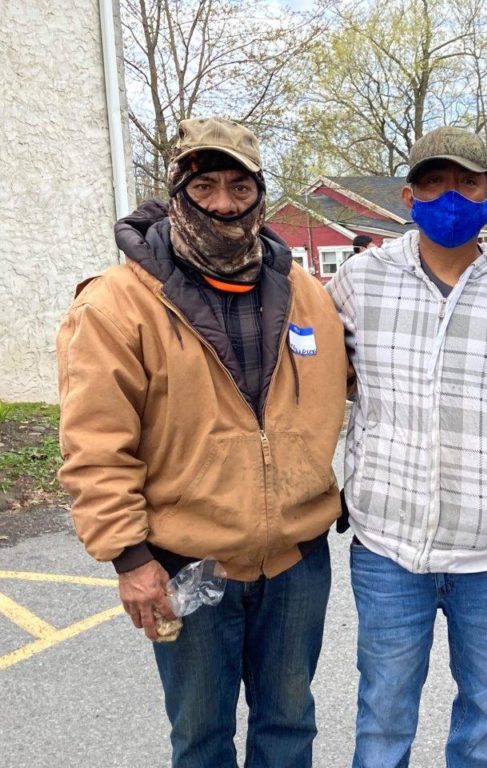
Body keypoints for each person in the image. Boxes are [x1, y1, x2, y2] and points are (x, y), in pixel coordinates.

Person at [57, 117, 347, 767]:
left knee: (290, 728)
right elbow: (94, 445)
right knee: (201, 739)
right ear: (177, 190)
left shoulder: (306, 295)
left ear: (260, 193)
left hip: (297, 562)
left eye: (240, 187)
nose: (224, 204)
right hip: (186, 565)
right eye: (205, 185)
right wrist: (130, 559)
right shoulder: (116, 304)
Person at [327, 125, 487, 767]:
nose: (451, 196)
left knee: (485, 714)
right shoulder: (359, 282)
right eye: (434, 183)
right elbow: (319, 378)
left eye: (467, 183)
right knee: (383, 713)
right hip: (387, 548)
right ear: (409, 197)